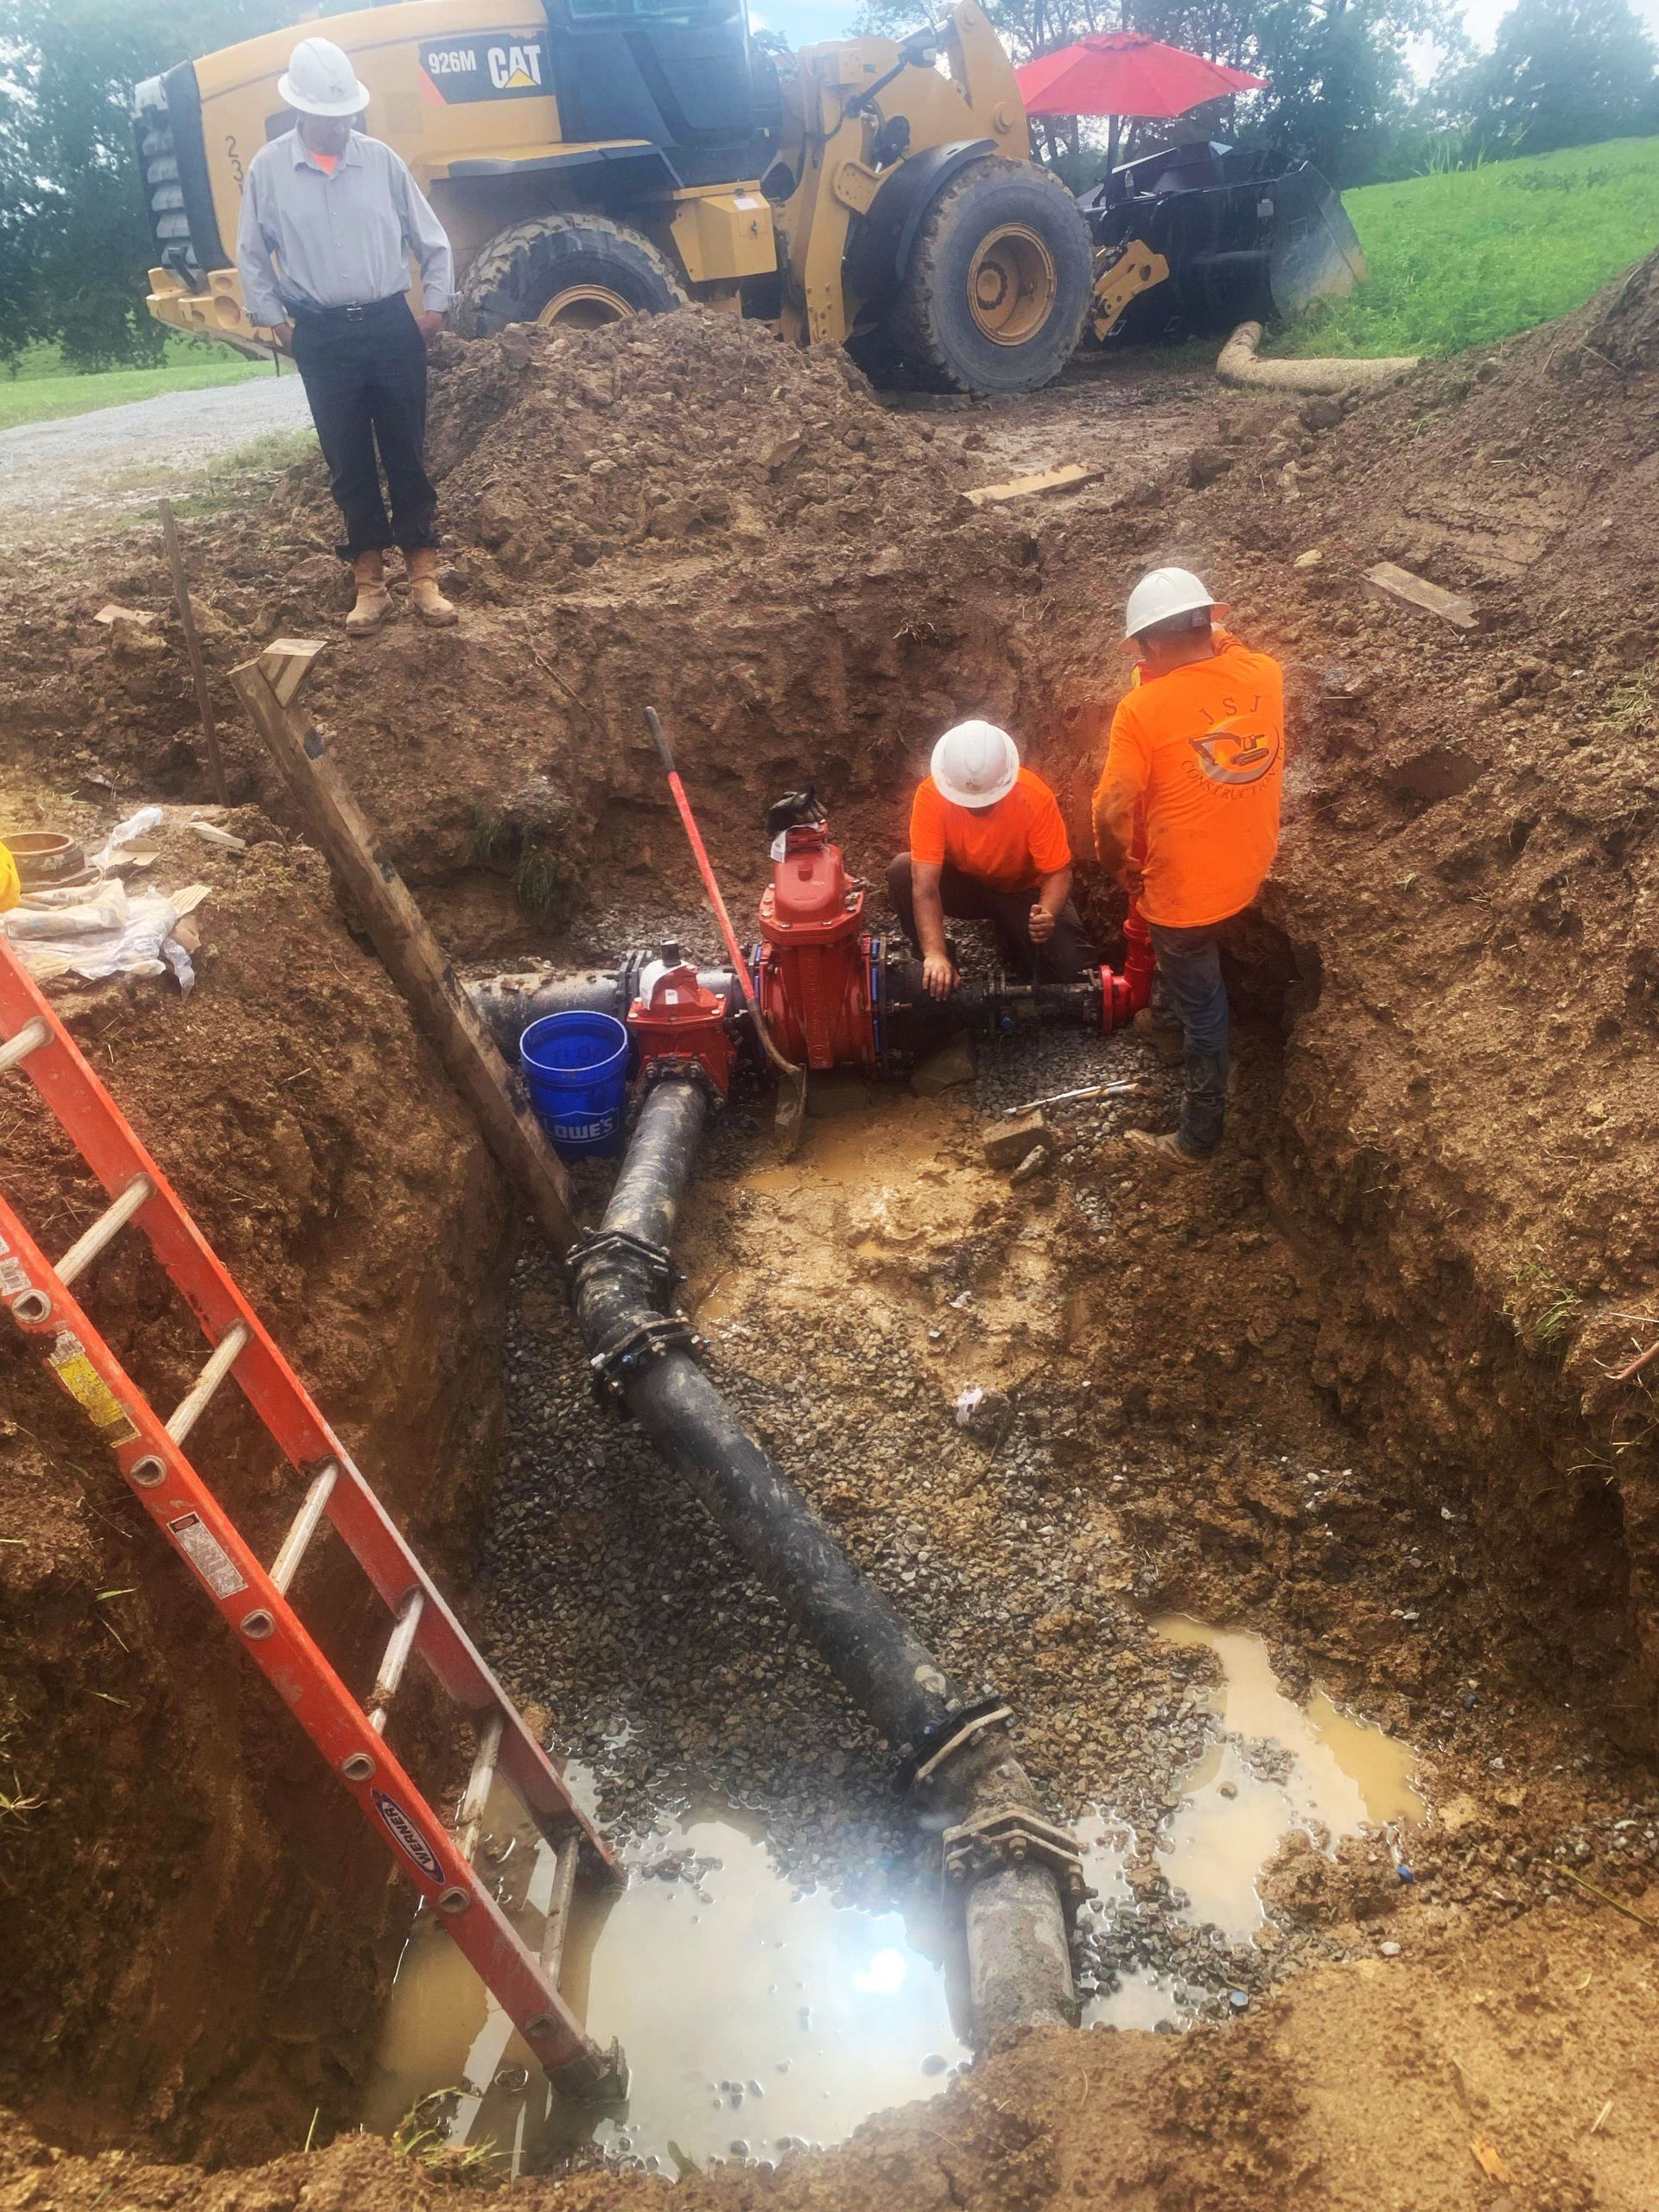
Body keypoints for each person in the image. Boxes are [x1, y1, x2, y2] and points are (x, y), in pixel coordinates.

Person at [235, 37, 457, 633]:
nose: (338, 128)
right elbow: (252, 255)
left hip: (390, 325)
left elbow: (431, 239)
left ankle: (424, 578)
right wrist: (276, 321)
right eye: (326, 118)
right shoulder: (268, 171)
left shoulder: (380, 161)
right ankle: (370, 586)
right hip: (324, 334)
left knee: (407, 453)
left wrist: (433, 307)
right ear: (301, 111)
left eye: (345, 117)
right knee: (348, 463)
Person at [1092, 567, 1283, 1173]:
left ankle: (1197, 1140)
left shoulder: (1140, 709)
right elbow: (1230, 642)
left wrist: (1115, 860)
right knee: (1191, 978)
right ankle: (1168, 1016)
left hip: (1183, 898)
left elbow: (1112, 806)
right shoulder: (1265, 674)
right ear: (1209, 622)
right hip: (1250, 867)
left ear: (1147, 646)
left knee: (1207, 1010)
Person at [887, 720, 1092, 999]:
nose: (978, 807)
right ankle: (936, 965)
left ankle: (1014, 937)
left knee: (1077, 975)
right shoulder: (931, 795)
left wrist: (1046, 913)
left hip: (1024, 893)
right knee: (902, 870)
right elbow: (926, 886)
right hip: (969, 887)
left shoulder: (1033, 795)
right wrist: (935, 954)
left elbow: (1059, 872)